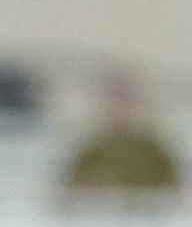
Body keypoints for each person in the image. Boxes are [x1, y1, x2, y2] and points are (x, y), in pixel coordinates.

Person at [57, 70, 183, 202]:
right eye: (115, 103)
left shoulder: (152, 147)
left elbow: (175, 187)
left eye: (126, 102)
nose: (120, 109)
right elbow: (71, 188)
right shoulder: (93, 147)